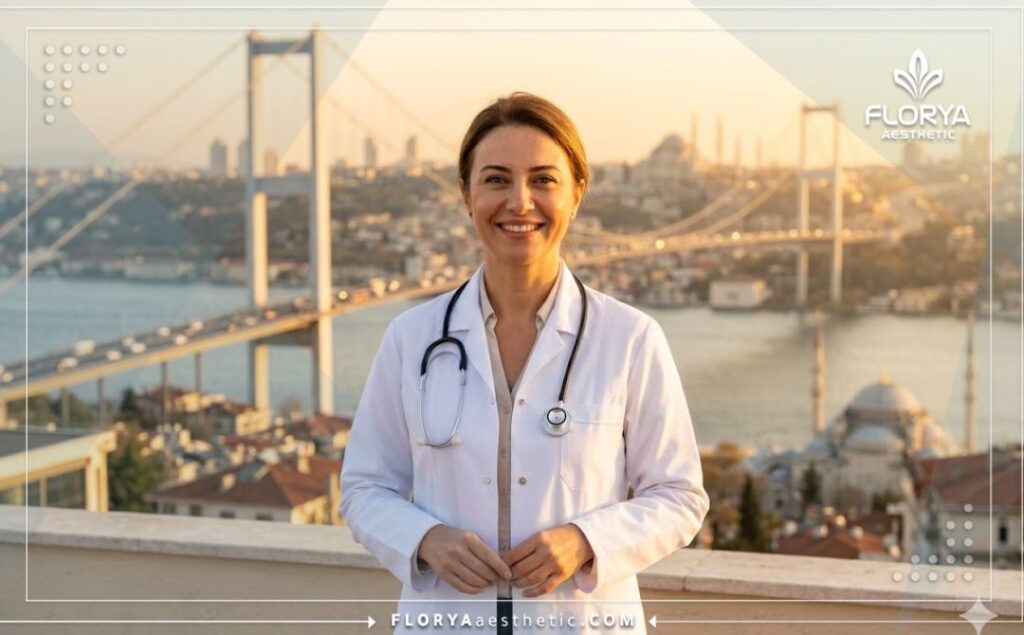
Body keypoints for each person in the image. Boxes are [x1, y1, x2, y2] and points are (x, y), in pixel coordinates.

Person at [340, 92, 709, 635]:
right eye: (495, 179)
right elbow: (364, 488)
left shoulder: (630, 338)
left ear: (577, 194)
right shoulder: (410, 339)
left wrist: (587, 541)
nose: (519, 202)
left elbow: (680, 496)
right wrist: (425, 540)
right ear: (465, 194)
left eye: (543, 179)